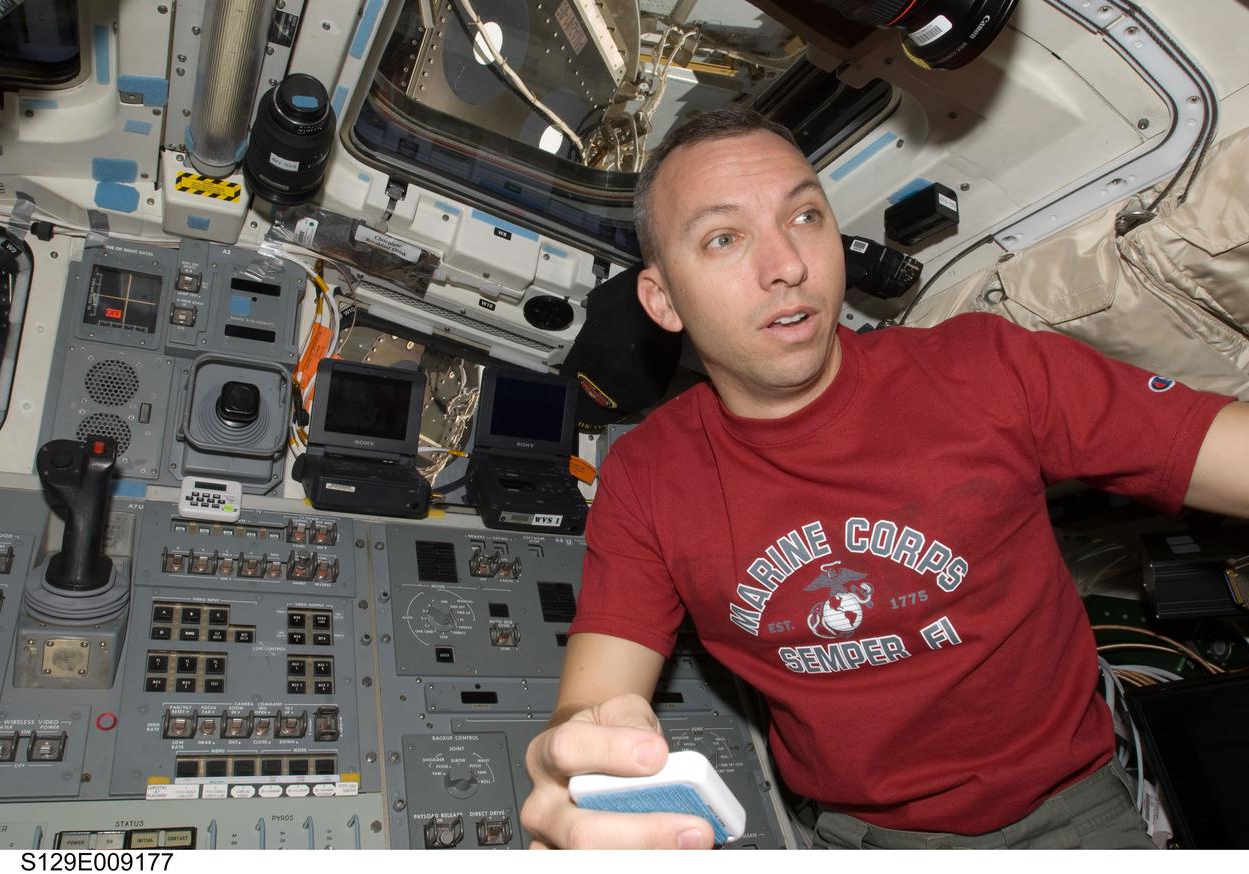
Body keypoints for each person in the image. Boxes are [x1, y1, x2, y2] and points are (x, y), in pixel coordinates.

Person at [519, 106, 1249, 849]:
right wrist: (573, 778)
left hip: (1072, 810)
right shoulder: (646, 474)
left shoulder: (987, 366)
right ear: (663, 301)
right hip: (858, 838)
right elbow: (594, 710)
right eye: (724, 238)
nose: (787, 265)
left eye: (805, 215)